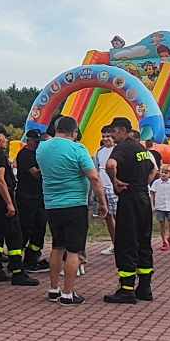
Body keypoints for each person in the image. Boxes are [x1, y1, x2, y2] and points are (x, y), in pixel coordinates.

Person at [35, 115, 103, 304]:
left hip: (51, 205)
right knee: (73, 251)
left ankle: (54, 288)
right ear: (74, 132)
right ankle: (68, 293)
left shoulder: (42, 149)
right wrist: (102, 202)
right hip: (75, 205)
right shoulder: (78, 149)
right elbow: (94, 178)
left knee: (57, 247)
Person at [102, 117, 157, 304]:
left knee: (126, 242)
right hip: (144, 198)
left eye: (114, 131)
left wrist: (114, 182)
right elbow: (153, 170)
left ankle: (126, 289)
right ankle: (145, 287)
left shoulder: (122, 148)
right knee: (144, 241)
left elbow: (110, 165)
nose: (111, 135)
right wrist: (143, 184)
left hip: (129, 199)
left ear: (123, 130)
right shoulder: (141, 148)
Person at [0, 130, 37, 287]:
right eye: (5, 138)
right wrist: (9, 203)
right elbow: (0, 179)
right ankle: (18, 272)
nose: (6, 141)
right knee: (14, 236)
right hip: (1, 202)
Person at [15, 124, 50, 270]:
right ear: (29, 140)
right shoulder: (24, 155)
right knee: (26, 228)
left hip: (38, 196)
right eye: (36, 142)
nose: (38, 144)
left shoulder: (38, 153)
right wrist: (48, 165)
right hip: (26, 197)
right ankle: (16, 261)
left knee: (39, 227)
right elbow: (35, 173)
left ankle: (32, 259)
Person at [93, 125, 119, 256]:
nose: (105, 139)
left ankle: (123, 242)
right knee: (107, 216)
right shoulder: (99, 151)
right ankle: (114, 243)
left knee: (118, 215)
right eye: (103, 136)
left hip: (115, 187)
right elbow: (97, 169)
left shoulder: (118, 150)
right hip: (103, 187)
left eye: (108, 136)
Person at [152, 162, 170, 249]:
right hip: (160, 207)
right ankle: (164, 241)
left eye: (166, 173)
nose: (163, 174)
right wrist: (153, 204)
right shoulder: (156, 182)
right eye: (162, 172)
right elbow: (152, 193)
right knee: (162, 224)